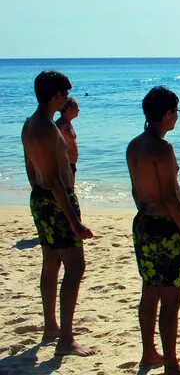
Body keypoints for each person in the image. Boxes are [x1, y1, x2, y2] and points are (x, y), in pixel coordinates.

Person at [126, 87, 180, 374]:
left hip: (144, 222)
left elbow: (137, 190)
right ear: (168, 113)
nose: (177, 118)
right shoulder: (162, 149)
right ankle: (171, 364)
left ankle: (149, 353)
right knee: (171, 298)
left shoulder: (135, 145)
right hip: (163, 227)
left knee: (150, 290)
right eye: (176, 112)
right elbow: (170, 198)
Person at [22, 71, 94, 356]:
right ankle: (65, 338)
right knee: (75, 267)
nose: (66, 99)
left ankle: (51, 326)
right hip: (56, 198)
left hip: (40, 198)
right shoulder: (47, 128)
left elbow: (31, 168)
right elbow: (54, 179)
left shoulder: (30, 124)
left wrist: (39, 195)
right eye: (64, 94)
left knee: (51, 260)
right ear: (54, 95)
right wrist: (74, 222)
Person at [56, 97, 80, 179]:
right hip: (65, 165)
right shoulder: (60, 125)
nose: (79, 110)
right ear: (69, 110)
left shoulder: (68, 124)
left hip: (71, 164)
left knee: (71, 190)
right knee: (68, 190)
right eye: (76, 107)